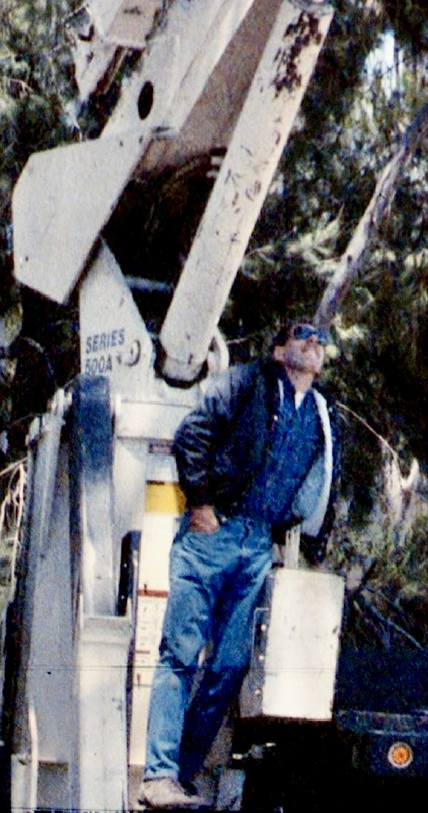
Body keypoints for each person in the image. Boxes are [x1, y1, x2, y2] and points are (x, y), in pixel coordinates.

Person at [141, 321, 338, 810]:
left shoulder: (320, 412)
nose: (313, 343)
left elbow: (323, 478)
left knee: (230, 665)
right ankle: (158, 775)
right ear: (278, 348)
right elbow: (193, 434)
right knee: (180, 655)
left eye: (320, 340)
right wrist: (202, 505)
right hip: (213, 533)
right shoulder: (246, 382)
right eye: (302, 335)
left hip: (257, 545)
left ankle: (180, 775)